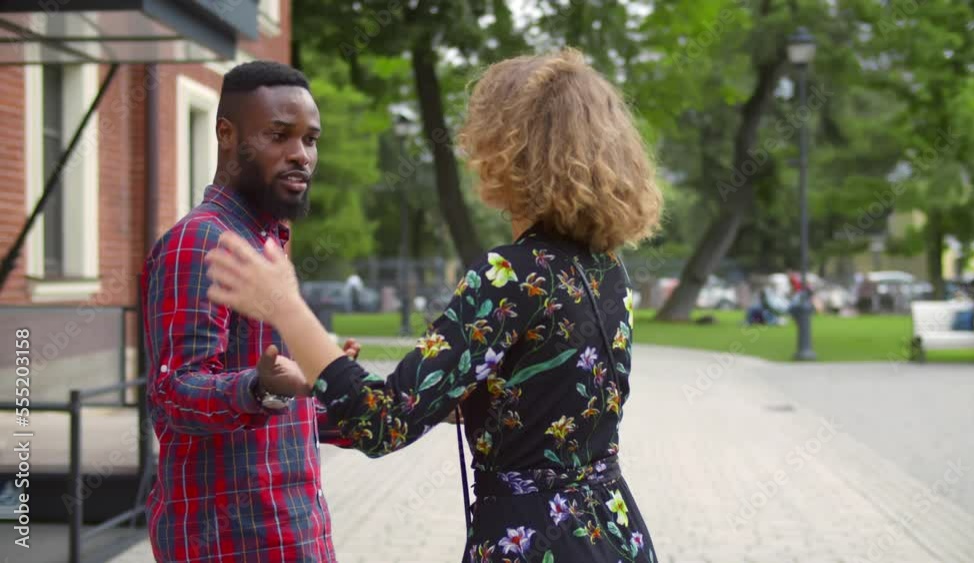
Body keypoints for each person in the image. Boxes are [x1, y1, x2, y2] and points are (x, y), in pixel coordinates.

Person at [205, 48, 663, 562]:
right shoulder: (606, 269)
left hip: (536, 543)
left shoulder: (510, 274)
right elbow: (545, 405)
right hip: (614, 532)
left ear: (508, 147)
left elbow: (381, 425)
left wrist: (285, 305)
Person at [141, 61, 360, 562]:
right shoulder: (201, 243)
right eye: (279, 135)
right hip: (231, 544)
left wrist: (411, 409)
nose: (301, 155)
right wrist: (259, 387)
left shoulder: (267, 244)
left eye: (311, 140)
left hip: (291, 536)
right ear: (226, 133)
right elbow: (174, 393)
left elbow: (288, 409)